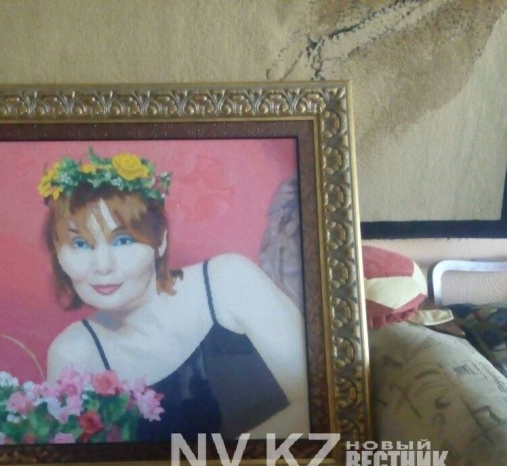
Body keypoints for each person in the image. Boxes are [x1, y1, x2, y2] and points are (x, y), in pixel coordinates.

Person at [39, 149, 309, 441]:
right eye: (81, 244)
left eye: (123, 240)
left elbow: (322, 402)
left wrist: (213, 465)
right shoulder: (74, 353)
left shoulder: (228, 281)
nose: (102, 265)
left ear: (160, 241)